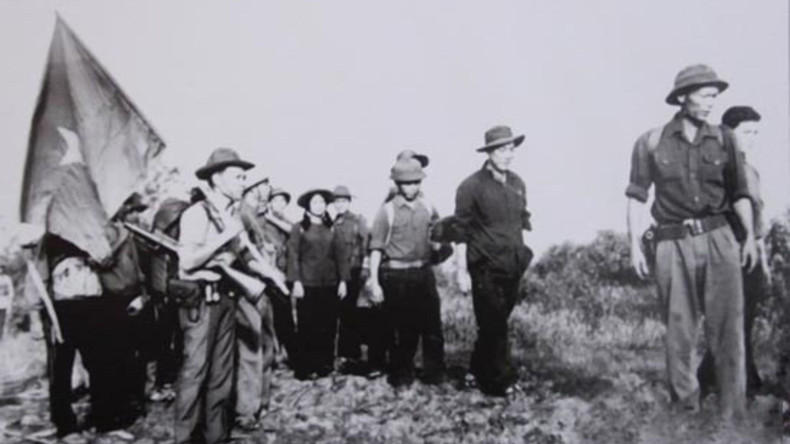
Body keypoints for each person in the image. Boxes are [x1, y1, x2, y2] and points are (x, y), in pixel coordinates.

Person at [626, 65, 757, 419]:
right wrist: (634, 244)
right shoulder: (650, 141)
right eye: (705, 94)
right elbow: (637, 196)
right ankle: (684, 408)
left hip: (720, 238)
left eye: (715, 95)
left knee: (729, 327)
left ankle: (733, 413)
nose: (712, 102)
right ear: (682, 97)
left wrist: (750, 239)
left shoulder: (725, 138)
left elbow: (741, 193)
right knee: (679, 327)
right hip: (671, 243)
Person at [174, 147, 255, 444]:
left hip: (226, 298)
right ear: (217, 179)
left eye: (244, 177)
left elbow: (246, 254)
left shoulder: (232, 215)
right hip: (201, 303)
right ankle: (185, 439)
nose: (243, 182)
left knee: (222, 376)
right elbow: (187, 262)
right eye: (238, 177)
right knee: (195, 374)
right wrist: (223, 238)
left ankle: (215, 438)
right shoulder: (196, 214)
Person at [454, 125, 533, 397]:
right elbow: (460, 232)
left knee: (492, 325)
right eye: (501, 149)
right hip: (484, 267)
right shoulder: (470, 187)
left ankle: (475, 370)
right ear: (489, 153)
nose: (508, 155)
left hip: (512, 265)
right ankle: (504, 382)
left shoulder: (518, 183)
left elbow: (522, 223)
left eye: (511, 149)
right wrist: (461, 271)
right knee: (496, 324)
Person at [697, 106, 768, 398]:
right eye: (746, 133)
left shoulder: (751, 171)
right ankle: (740, 383)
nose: (752, 138)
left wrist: (763, 261)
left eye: (755, 133)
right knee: (730, 319)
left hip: (749, 252)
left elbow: (758, 218)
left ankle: (718, 378)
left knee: (745, 317)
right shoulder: (717, 171)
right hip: (726, 251)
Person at [369, 157, 446, 389]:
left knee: (432, 326)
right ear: (398, 184)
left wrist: (438, 245)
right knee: (404, 329)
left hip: (423, 273)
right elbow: (376, 248)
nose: (412, 187)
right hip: (397, 276)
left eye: (416, 182)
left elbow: (440, 231)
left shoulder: (427, 206)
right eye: (407, 183)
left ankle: (434, 376)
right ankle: (401, 377)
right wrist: (374, 282)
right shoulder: (387, 212)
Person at [287, 189, 350, 379]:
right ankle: (305, 368)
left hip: (329, 284)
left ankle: (324, 365)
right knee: (307, 326)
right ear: (308, 206)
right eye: (315, 202)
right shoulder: (298, 228)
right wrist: (296, 281)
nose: (319, 205)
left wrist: (343, 281)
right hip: (307, 285)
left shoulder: (332, 228)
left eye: (322, 202)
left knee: (328, 325)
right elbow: (293, 256)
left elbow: (341, 256)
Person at [233, 174, 277, 432]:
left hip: (262, 287)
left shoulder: (253, 214)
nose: (266, 190)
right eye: (262, 186)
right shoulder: (242, 213)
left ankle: (260, 401)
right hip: (248, 288)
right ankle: (247, 410)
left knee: (265, 344)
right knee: (251, 348)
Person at [331, 185, 380, 375]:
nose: (340, 204)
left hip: (356, 273)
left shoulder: (358, 221)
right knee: (344, 316)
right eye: (337, 201)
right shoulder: (333, 223)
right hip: (338, 276)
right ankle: (348, 356)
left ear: (349, 202)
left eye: (343, 201)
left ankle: (367, 358)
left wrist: (366, 271)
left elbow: (367, 245)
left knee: (360, 314)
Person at [261, 188, 298, 363]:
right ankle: (278, 352)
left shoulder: (283, 221)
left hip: (286, 273)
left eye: (283, 201)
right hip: (272, 276)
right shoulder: (263, 223)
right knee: (274, 316)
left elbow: (295, 232)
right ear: (269, 203)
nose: (279, 204)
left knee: (285, 315)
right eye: (276, 201)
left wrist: (272, 218)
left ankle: (289, 352)